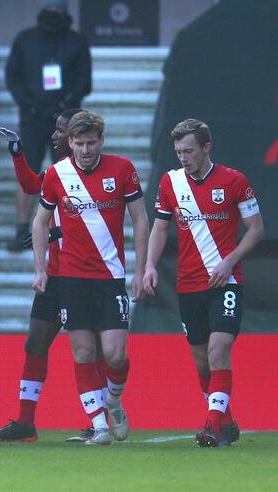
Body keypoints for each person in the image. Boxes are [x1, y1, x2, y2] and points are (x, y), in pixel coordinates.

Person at [0, 108, 109, 443]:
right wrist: (17, 153)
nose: (54, 136)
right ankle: (26, 422)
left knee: (95, 350)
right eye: (57, 131)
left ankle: (104, 418)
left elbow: (96, 229)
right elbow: (31, 186)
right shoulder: (57, 173)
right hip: (55, 275)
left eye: (60, 130)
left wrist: (55, 234)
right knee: (36, 342)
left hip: (86, 276)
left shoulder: (102, 176)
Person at [143, 119, 262, 447]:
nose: (183, 157)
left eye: (189, 150)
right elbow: (160, 228)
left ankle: (211, 425)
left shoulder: (234, 181)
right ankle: (226, 421)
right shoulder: (170, 183)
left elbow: (255, 229)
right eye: (178, 151)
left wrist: (229, 260)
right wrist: (149, 266)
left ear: (206, 148)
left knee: (218, 347)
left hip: (225, 281)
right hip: (188, 284)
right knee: (201, 359)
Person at [32, 111, 148, 445]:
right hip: (71, 277)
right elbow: (40, 222)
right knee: (82, 351)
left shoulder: (122, 169)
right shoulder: (57, 174)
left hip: (110, 276)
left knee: (114, 354)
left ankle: (113, 399)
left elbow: (140, 219)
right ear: (70, 142)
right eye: (79, 143)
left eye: (91, 143)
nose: (85, 150)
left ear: (102, 141)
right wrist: (40, 268)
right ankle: (99, 425)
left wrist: (142, 269)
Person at [5, 0, 91, 250]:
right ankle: (22, 228)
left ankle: (69, 226)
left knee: (69, 172)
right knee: (27, 172)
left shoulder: (77, 42)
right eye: (50, 10)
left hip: (66, 121)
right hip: (32, 118)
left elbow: (84, 81)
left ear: (66, 14)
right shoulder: (25, 39)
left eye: (58, 11)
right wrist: (30, 105)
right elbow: (13, 77)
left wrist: (62, 105)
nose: (54, 15)